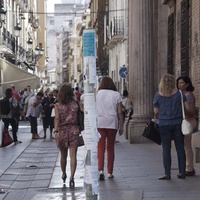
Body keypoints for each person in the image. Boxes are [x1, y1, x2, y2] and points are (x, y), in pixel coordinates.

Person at [153, 74, 190, 180]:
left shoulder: (157, 95)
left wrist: (162, 115)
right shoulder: (180, 94)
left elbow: (156, 111)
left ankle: (167, 173)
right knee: (180, 148)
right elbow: (187, 108)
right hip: (178, 123)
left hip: (164, 124)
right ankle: (182, 172)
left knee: (166, 149)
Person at [96, 77, 124, 180]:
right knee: (110, 147)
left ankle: (100, 170)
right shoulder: (116, 94)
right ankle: (110, 172)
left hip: (100, 122)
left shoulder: (98, 94)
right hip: (112, 122)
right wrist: (121, 126)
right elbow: (120, 112)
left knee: (100, 146)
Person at [54, 84, 80, 187]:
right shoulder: (76, 104)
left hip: (62, 131)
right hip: (74, 129)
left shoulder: (57, 105)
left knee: (63, 154)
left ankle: (64, 173)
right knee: (73, 155)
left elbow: (56, 118)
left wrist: (55, 131)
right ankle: (72, 177)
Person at [177, 76, 197, 176]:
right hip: (184, 122)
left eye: (181, 83)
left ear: (187, 84)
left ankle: (189, 168)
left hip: (189, 122)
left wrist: (182, 109)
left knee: (187, 145)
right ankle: (187, 166)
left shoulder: (188, 95)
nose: (179, 84)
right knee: (185, 145)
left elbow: (192, 110)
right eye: (178, 83)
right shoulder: (180, 95)